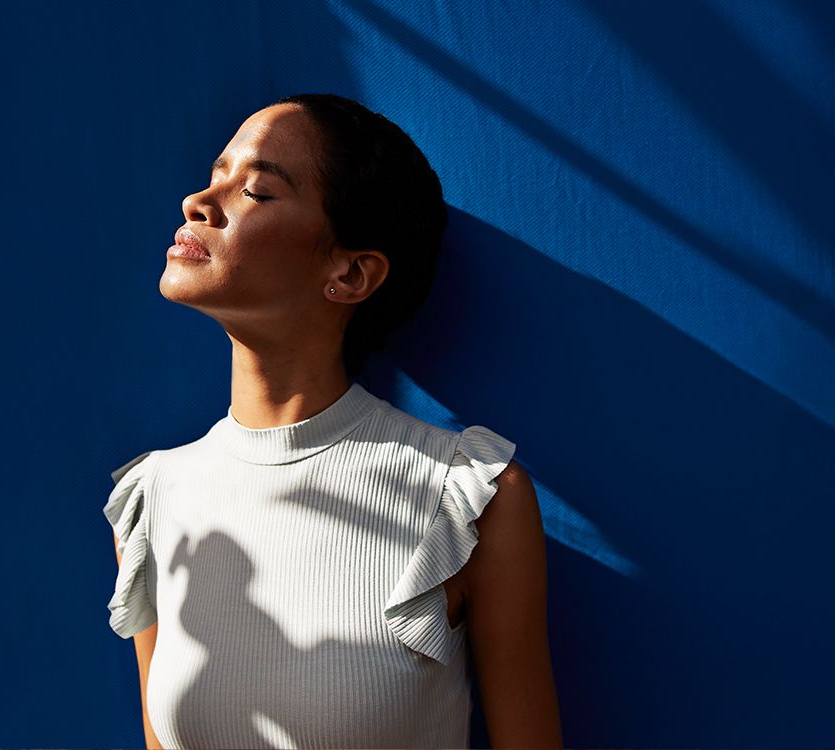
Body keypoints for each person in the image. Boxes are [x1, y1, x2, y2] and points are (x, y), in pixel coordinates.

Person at [103, 93, 562, 749]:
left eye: (256, 190)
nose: (198, 203)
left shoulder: (467, 498)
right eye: (215, 175)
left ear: (350, 273)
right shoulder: (153, 499)